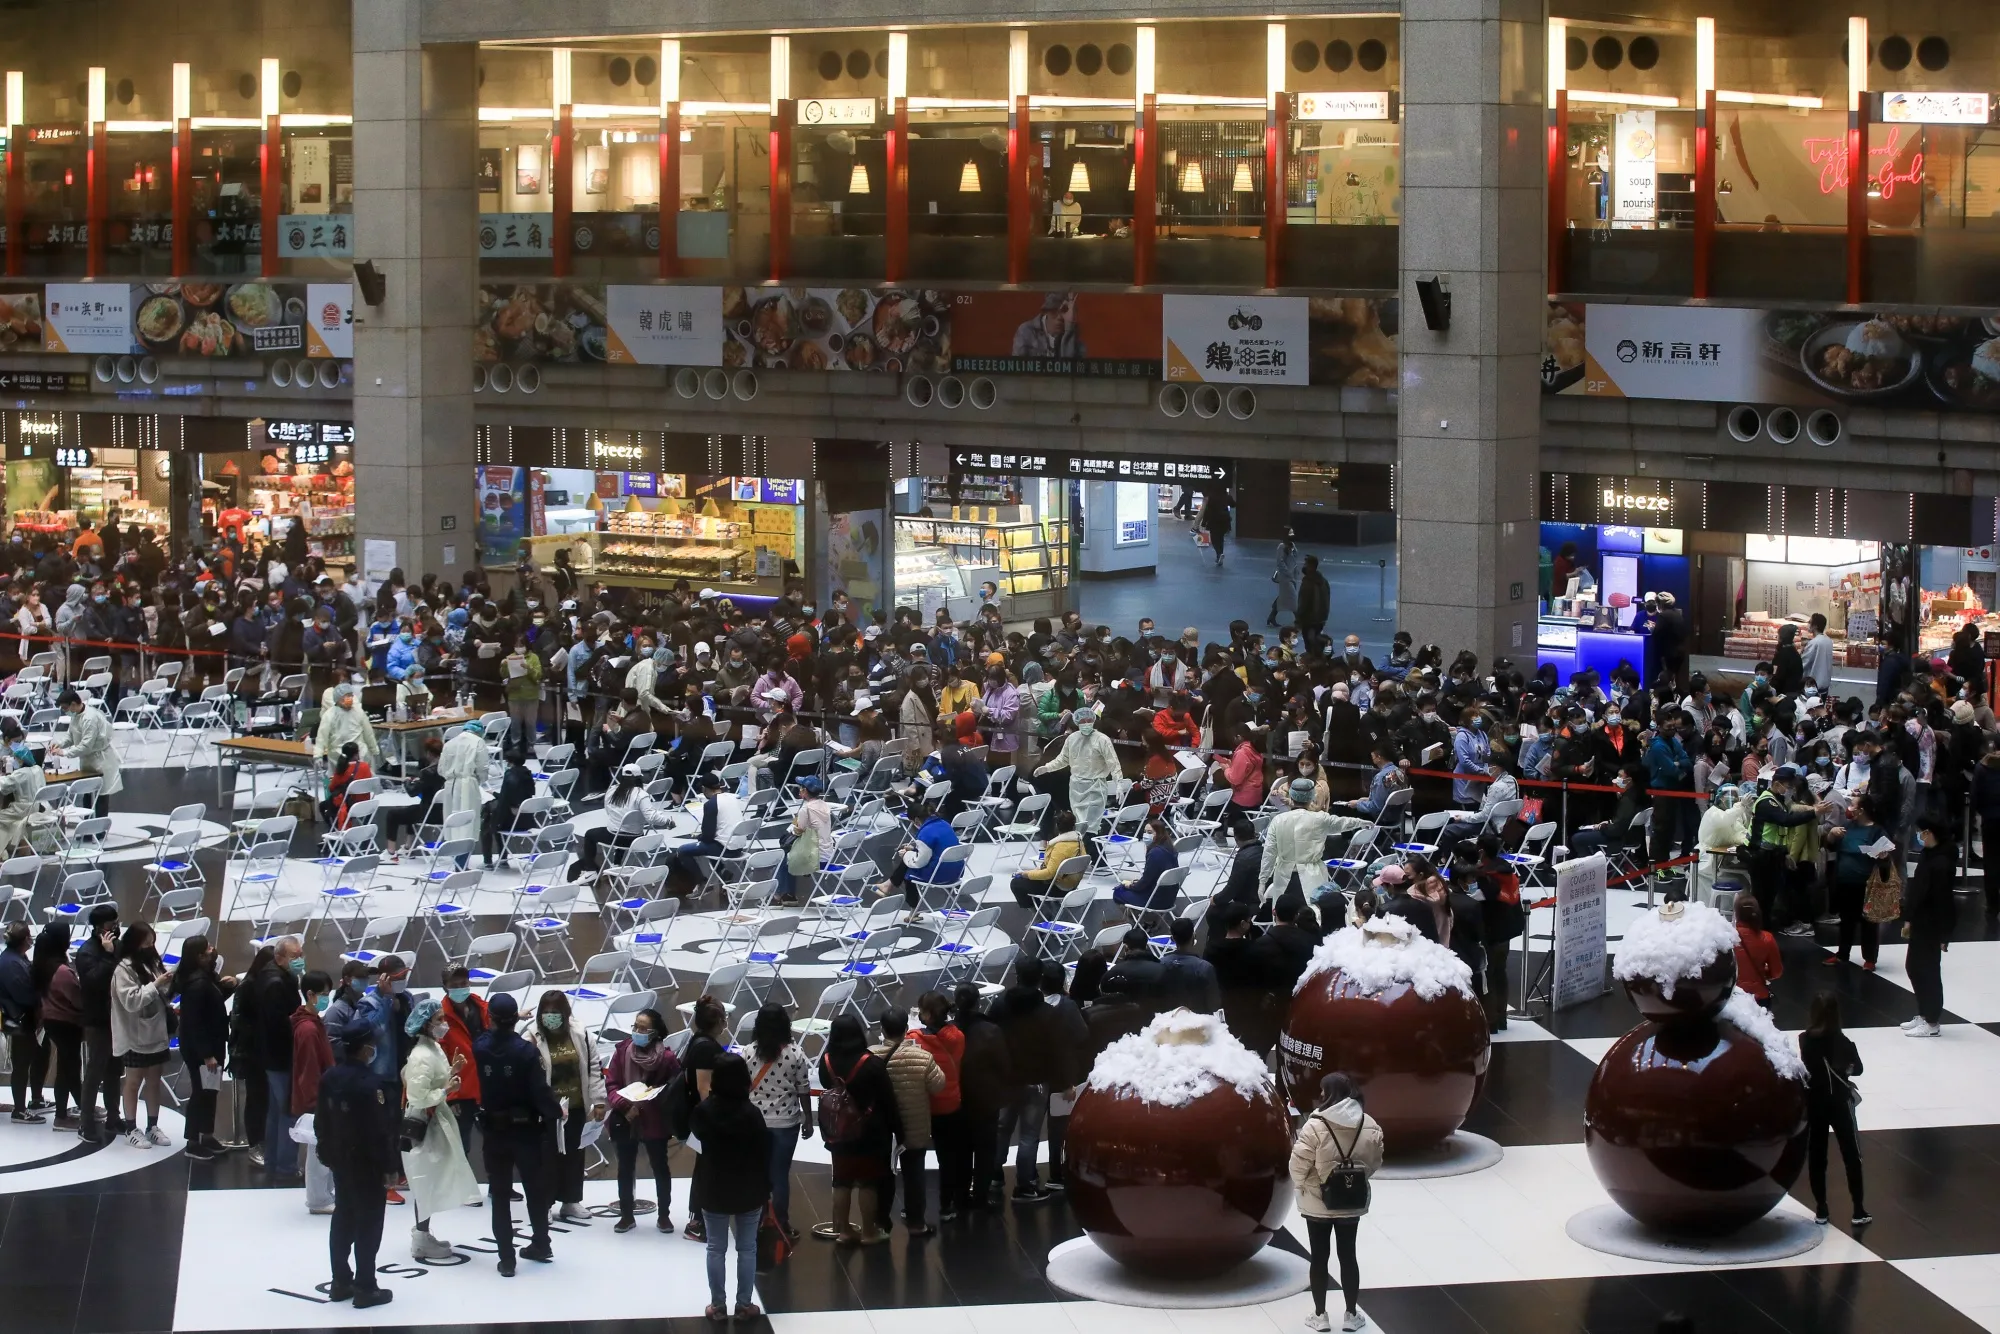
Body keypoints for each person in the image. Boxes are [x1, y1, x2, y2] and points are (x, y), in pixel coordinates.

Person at [475, 993, 562, 1276]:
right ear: (516, 1019)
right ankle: (540, 1242)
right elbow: (540, 1092)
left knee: (499, 1195)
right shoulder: (526, 1052)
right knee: (534, 1189)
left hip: (493, 1130)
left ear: (490, 1019)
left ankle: (506, 1258)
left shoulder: (479, 1048)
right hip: (526, 1131)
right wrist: (555, 1113)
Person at [315, 1020, 400, 1309]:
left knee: (343, 1217)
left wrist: (326, 1150)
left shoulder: (330, 1077)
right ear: (365, 1049)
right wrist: (390, 1166)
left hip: (341, 1159)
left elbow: (321, 1120)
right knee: (369, 1223)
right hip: (367, 1163)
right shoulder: (371, 1084)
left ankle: (340, 1281)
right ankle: (366, 1286)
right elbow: (381, 1130)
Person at [1289, 1072, 1383, 1332]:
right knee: (1348, 1255)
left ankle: (1320, 1316)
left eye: (1322, 1090)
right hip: (1351, 1201)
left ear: (1328, 1093)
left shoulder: (1314, 1125)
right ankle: (1351, 1315)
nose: (1320, 1095)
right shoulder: (1369, 1123)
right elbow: (1374, 1161)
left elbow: (1297, 1165)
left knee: (1319, 1257)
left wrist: (1304, 1185)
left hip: (1317, 1202)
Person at [691, 1053, 771, 1321]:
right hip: (749, 1188)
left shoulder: (703, 1112)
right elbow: (763, 1152)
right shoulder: (752, 1113)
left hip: (713, 1186)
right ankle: (744, 1305)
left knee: (715, 1248)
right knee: (747, 1248)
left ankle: (717, 1306)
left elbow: (697, 1140)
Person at [400, 998, 481, 1260]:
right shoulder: (420, 1056)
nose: (444, 1024)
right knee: (425, 1180)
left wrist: (452, 1072)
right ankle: (420, 1238)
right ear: (425, 1025)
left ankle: (423, 1232)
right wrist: (446, 1090)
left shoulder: (432, 1047)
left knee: (432, 1178)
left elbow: (435, 1080)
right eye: (438, 1020)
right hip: (425, 1123)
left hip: (437, 1119)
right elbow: (418, 1096)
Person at [818, 1013, 897, 1244]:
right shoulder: (871, 1063)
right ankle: (869, 1232)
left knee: (841, 1181)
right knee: (868, 1182)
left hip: (838, 1130)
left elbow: (827, 1086)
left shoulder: (827, 1061)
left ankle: (843, 1231)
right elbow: (887, 1098)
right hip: (869, 1132)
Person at [530, 990, 607, 1223]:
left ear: (565, 1013)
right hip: (547, 1110)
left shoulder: (581, 1034)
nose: (550, 1016)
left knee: (574, 1154)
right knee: (546, 1158)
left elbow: (594, 1067)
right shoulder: (532, 1037)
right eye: (546, 1012)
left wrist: (599, 1101)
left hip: (575, 1106)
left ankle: (571, 1201)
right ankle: (544, 1204)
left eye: (555, 1012)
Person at [605, 1007, 681, 1233]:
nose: (637, 1031)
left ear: (655, 1033)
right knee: (625, 1168)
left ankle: (664, 1216)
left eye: (642, 1028)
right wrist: (624, 1106)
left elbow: (676, 1088)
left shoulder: (667, 1059)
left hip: (654, 1121)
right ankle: (626, 1215)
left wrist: (656, 1097)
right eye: (635, 1026)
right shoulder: (622, 1051)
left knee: (660, 1167)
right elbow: (611, 1085)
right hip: (626, 1118)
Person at [873, 1006, 946, 1235]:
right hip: (914, 1127)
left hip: (881, 1129)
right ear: (906, 1029)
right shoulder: (922, 1056)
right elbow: (939, 1085)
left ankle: (881, 1224)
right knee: (915, 1175)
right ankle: (916, 1223)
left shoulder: (870, 1056)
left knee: (881, 1177)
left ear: (882, 1030)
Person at [1799, 992, 1869, 1228]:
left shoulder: (1804, 1040)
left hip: (1816, 1103)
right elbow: (1858, 1069)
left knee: (1817, 1157)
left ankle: (1821, 1209)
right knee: (1851, 1155)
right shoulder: (1843, 1042)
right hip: (1840, 1103)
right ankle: (1858, 1209)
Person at [746, 1005, 814, 1241]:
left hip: (755, 1123)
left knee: (758, 1174)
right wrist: (809, 1119)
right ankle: (781, 1223)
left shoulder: (748, 1052)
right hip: (786, 1122)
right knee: (780, 1175)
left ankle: (757, 1221)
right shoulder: (795, 1053)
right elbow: (803, 1088)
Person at [169, 934, 235, 1158]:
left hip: (212, 1043)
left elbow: (212, 1001)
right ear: (198, 956)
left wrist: (227, 988)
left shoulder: (205, 977)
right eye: (208, 948)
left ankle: (207, 1134)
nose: (212, 949)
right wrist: (207, 1055)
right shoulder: (196, 984)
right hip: (202, 1048)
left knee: (211, 1090)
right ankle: (192, 1141)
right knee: (201, 1092)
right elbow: (195, 1023)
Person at [109, 922, 174, 1148]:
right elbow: (132, 1001)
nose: (150, 945)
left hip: (156, 1032)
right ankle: (130, 1128)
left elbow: (162, 991)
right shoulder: (123, 969)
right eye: (146, 940)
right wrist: (156, 985)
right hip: (134, 1034)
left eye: (152, 940)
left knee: (154, 1081)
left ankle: (153, 1126)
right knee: (134, 1082)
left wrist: (167, 987)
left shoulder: (152, 962)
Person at [679, 994, 731, 1240]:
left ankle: (700, 1219)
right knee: (707, 1169)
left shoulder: (698, 1041)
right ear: (719, 1021)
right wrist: (716, 1120)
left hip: (702, 1117)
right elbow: (704, 1088)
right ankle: (698, 1222)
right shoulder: (706, 1048)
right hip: (706, 1121)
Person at [1902, 816, 1956, 1039]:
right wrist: (1909, 918)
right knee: (1913, 967)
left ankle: (1932, 1020)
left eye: (1922, 832)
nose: (1919, 835)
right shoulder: (1928, 855)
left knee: (1928, 970)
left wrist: (1945, 933)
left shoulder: (1942, 863)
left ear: (1931, 833)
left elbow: (1944, 901)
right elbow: (1917, 891)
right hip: (1920, 921)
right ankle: (1923, 1013)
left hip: (1932, 924)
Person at [1035, 707, 1120, 846]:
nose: (1086, 724)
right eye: (1082, 721)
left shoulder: (1102, 741)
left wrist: (1119, 783)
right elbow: (1062, 760)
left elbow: (1113, 763)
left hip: (1094, 787)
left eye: (1088, 721)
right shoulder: (1070, 740)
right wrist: (1047, 768)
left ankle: (1093, 855)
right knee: (1078, 824)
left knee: (1091, 826)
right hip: (1069, 787)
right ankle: (1076, 852)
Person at [32, 922, 83, 1129]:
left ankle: (71, 1109)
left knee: (66, 1066)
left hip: (54, 1021)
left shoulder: (42, 964)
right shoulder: (61, 971)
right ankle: (67, 1113)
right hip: (66, 1022)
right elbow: (78, 1000)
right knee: (69, 1068)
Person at [49, 688, 119, 814]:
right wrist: (59, 744)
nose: (65, 711)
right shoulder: (76, 715)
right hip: (88, 760)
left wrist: (64, 753)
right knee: (88, 795)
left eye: (65, 708)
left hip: (100, 761)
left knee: (100, 796)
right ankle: (87, 831)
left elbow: (86, 745)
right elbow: (71, 736)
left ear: (74, 704)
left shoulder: (90, 719)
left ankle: (99, 832)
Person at [1009, 808, 1087, 910]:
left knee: (1016, 883)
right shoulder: (1079, 842)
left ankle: (1039, 912)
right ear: (1074, 826)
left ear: (1056, 826)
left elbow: (1049, 873)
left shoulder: (1060, 847)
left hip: (1058, 887)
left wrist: (1026, 874)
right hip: (1072, 884)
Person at [0, 922, 38, 1121]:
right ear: (24, 940)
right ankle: (20, 1109)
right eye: (29, 936)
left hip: (23, 1020)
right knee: (21, 1065)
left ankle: (28, 1103)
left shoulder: (16, 958)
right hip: (18, 1021)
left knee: (24, 1063)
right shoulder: (10, 963)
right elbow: (25, 995)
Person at [1112, 819, 1179, 912]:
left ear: (1159, 833)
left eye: (1150, 832)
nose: (1146, 835)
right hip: (1170, 898)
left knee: (1118, 891)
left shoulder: (1155, 853)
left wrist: (1130, 885)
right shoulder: (1171, 849)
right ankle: (1149, 920)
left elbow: (1145, 883)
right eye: (1145, 832)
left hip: (1154, 900)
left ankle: (1144, 920)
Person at [1158, 917, 1222, 1013]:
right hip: (1198, 1021)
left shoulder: (1160, 964)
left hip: (1168, 1021)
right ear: (1194, 936)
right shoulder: (1204, 967)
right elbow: (1214, 1003)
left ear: (1172, 938)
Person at [1733, 896, 1783, 1008]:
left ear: (1737, 914)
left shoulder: (1728, 937)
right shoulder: (1767, 938)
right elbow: (1777, 972)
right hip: (1759, 997)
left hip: (1734, 996)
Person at [439, 719, 487, 825]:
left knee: (451, 820)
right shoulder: (478, 742)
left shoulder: (449, 743)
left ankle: (451, 841)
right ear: (480, 732)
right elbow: (482, 767)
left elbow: (441, 769)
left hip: (449, 785)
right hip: (469, 783)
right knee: (468, 821)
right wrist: (480, 780)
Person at [1270, 535, 1303, 629]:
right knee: (1292, 597)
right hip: (1285, 577)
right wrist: (1288, 573)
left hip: (1292, 576)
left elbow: (1295, 557)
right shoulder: (1282, 546)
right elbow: (1280, 562)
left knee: (1283, 596)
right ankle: (1298, 619)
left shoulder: (1291, 545)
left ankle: (1271, 616)